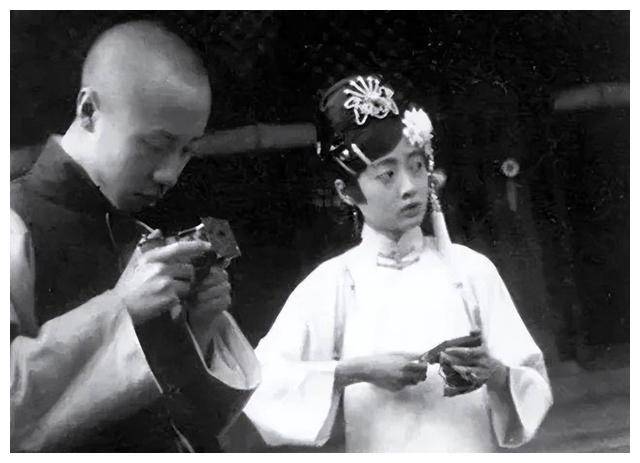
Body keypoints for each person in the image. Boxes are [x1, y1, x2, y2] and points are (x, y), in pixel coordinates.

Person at [241, 74, 553, 451]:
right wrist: (355, 371)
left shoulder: (471, 270)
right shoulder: (334, 283)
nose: (409, 187)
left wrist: (498, 374)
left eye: (416, 166)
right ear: (346, 192)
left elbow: (532, 378)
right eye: (387, 174)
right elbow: (260, 383)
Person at [10, 20, 260, 452]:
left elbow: (189, 422)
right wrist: (121, 307)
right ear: (89, 110)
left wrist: (197, 328)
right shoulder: (12, 223)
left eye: (187, 150)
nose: (170, 174)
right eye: (155, 145)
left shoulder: (143, 236)